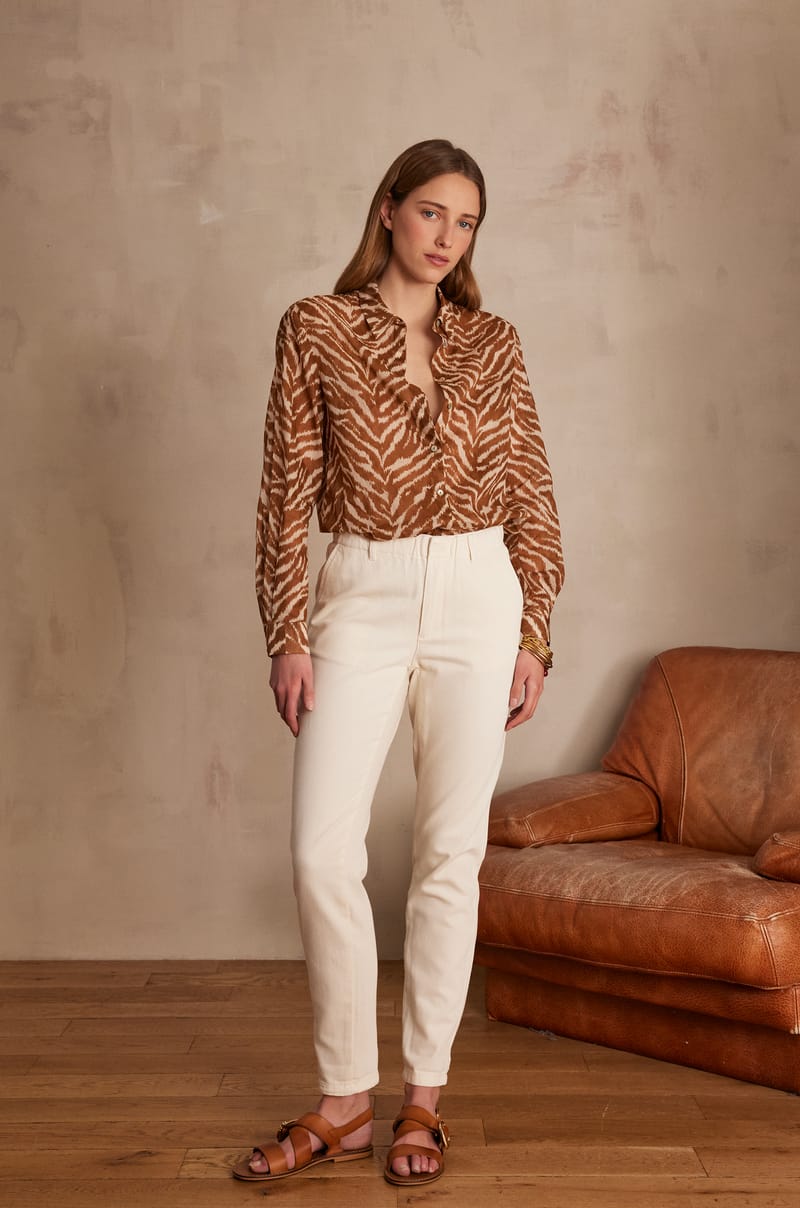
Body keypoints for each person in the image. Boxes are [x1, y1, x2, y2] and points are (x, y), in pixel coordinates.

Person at [232, 138, 564, 1188]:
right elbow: (286, 490)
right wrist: (287, 629)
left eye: (465, 222)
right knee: (321, 851)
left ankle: (423, 1097)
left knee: (448, 853)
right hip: (360, 594)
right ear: (387, 209)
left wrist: (534, 631)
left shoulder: (494, 342)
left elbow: (531, 489)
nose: (446, 237)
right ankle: (343, 1101)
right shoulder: (317, 326)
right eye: (430, 212)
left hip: (478, 592)